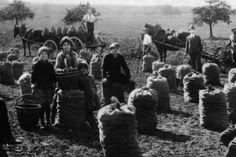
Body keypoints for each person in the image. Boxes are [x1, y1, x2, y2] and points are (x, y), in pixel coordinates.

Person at [31, 46, 56, 129]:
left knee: (48, 105)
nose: (44, 55)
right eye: (42, 54)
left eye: (45, 54)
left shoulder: (50, 65)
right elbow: (33, 76)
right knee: (41, 105)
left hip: (48, 87)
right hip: (40, 87)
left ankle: (48, 121)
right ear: (39, 55)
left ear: (48, 55)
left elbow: (53, 77)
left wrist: (54, 84)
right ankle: (42, 122)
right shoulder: (36, 65)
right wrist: (33, 84)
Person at [78, 62, 100, 129]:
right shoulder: (79, 78)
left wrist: (96, 98)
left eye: (85, 68)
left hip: (91, 96)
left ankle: (92, 123)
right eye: (81, 68)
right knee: (86, 111)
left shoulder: (91, 77)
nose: (83, 70)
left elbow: (94, 88)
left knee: (90, 110)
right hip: (84, 97)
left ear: (87, 69)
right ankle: (89, 123)